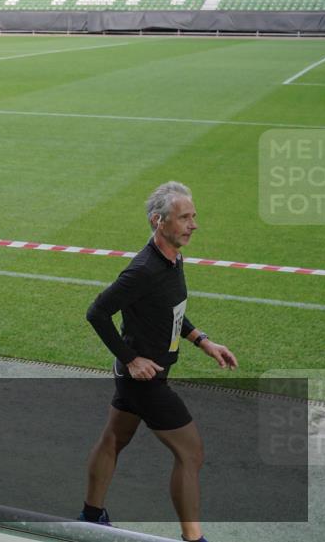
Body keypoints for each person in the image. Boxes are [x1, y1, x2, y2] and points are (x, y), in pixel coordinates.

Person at [80, 181, 237, 542]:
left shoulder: (172, 257)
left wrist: (203, 341)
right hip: (144, 380)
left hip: (139, 374)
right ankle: (193, 539)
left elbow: (169, 310)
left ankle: (90, 516)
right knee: (192, 452)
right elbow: (97, 312)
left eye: (193, 216)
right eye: (184, 217)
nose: (193, 224)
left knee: (113, 440)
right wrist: (132, 359)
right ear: (158, 221)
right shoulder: (143, 269)